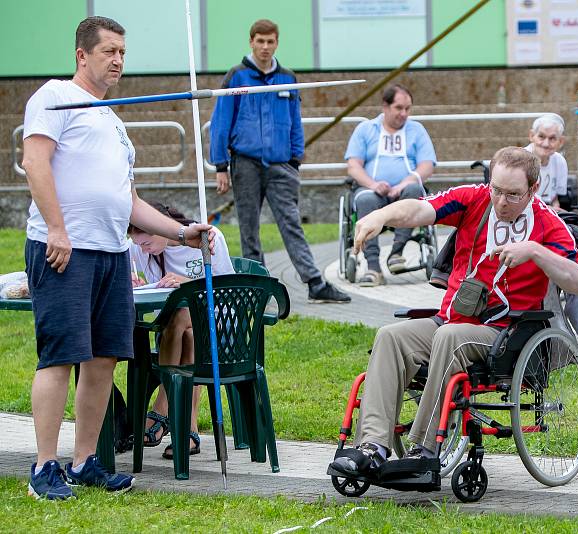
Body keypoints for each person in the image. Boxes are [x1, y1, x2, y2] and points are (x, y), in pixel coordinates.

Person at [22, 16, 213, 500]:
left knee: (104, 359)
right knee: (60, 355)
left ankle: (85, 461)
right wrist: (58, 230)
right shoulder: (54, 97)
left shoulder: (113, 118)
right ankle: (44, 468)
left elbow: (127, 201)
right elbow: (35, 162)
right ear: (82, 55)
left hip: (111, 252)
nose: (118, 60)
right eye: (108, 51)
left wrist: (180, 233)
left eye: (123, 52)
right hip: (65, 248)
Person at [329, 147, 578, 475]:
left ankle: (424, 449)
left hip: (506, 333)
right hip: (451, 318)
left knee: (451, 337)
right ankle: (372, 446)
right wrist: (380, 216)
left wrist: (536, 252)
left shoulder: (548, 224)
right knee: (391, 337)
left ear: (533, 189)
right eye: (496, 190)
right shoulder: (474, 199)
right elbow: (419, 210)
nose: (501, 202)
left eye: (513, 195)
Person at [209, 18, 350, 304]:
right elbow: (220, 122)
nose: (264, 47)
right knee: (249, 227)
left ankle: (314, 282)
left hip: (281, 165)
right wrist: (220, 165)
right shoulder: (236, 76)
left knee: (291, 224)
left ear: (276, 43)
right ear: (251, 42)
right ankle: (256, 286)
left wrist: (295, 158)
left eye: (270, 41)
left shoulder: (287, 77)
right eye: (259, 41)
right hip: (245, 163)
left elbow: (295, 121)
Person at [129, 202, 234, 460]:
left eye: (147, 242)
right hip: (176, 331)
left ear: (161, 226)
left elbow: (226, 291)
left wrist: (188, 284)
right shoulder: (140, 250)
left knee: (187, 317)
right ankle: (187, 427)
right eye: (140, 245)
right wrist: (134, 281)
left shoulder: (207, 239)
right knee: (184, 328)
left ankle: (162, 409)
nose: (143, 249)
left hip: (218, 323)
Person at [345, 84, 437, 286]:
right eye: (398, 108)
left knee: (414, 190)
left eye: (408, 108)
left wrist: (404, 183)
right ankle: (373, 268)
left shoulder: (416, 130)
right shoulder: (366, 129)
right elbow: (353, 166)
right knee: (366, 198)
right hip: (373, 190)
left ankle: (396, 252)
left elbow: (427, 165)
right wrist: (373, 184)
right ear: (385, 107)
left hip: (405, 190)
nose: (404, 113)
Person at [523, 113, 568, 208]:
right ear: (531, 136)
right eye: (541, 137)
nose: (546, 144)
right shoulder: (519, 159)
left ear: (561, 142)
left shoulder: (560, 162)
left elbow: (555, 199)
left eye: (552, 138)